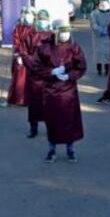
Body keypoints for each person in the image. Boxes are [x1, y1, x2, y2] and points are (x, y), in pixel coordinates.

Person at [31, 20, 86, 162]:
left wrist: (69, 75)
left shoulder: (74, 47)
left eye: (67, 32)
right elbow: (36, 67)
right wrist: (51, 71)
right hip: (51, 91)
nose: (65, 35)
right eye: (62, 32)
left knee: (69, 121)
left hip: (68, 91)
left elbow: (81, 66)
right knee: (53, 121)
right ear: (56, 32)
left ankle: (70, 149)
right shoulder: (44, 48)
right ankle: (51, 150)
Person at [23, 9, 54, 137]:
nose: (43, 22)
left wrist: (53, 68)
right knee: (34, 102)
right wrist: (33, 66)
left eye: (45, 19)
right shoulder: (30, 33)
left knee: (50, 102)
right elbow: (24, 52)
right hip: (34, 74)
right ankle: (33, 128)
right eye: (41, 19)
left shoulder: (53, 35)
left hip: (49, 74)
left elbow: (58, 53)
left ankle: (51, 127)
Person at [3, 7, 35, 107]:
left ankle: (31, 101)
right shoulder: (19, 27)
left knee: (33, 80)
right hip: (21, 56)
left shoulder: (36, 27)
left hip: (33, 57)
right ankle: (14, 100)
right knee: (18, 78)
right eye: (27, 14)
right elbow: (16, 42)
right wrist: (19, 55)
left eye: (31, 15)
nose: (29, 17)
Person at [89, 0, 110, 76]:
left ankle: (107, 70)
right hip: (98, 37)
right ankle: (99, 69)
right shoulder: (94, 13)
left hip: (108, 37)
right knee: (99, 55)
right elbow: (93, 24)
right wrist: (101, 30)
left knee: (108, 54)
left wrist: (108, 30)